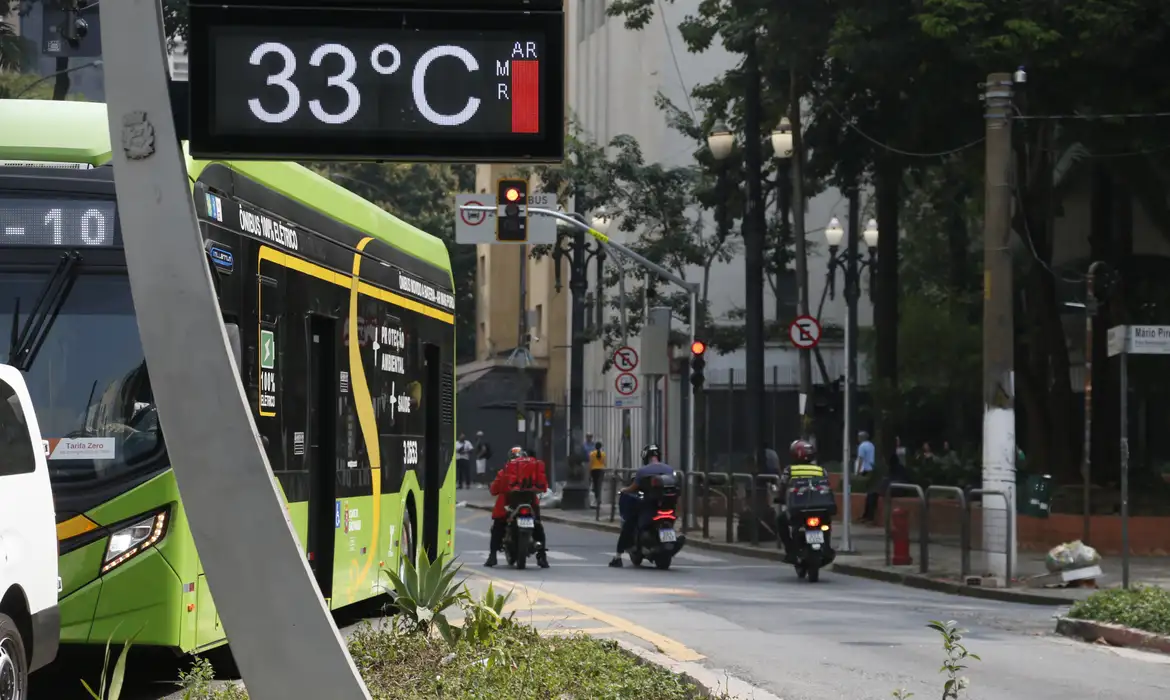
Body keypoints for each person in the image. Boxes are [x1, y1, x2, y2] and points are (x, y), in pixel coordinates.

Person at [609, 443, 675, 568]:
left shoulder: (642, 471)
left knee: (629, 523)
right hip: (667, 507)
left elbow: (633, 488)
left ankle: (618, 556)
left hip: (649, 507)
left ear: (645, 458)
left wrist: (624, 490)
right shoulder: (669, 469)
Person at [485, 446, 549, 568]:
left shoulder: (503, 472)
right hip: (531, 505)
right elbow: (543, 486)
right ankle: (542, 557)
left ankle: (492, 556)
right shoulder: (533, 470)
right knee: (538, 527)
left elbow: (494, 490)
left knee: (498, 527)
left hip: (508, 506)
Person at [776, 439, 829, 564]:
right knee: (826, 526)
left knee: (780, 521)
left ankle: (790, 551)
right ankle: (826, 547)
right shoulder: (821, 470)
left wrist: (779, 497)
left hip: (798, 509)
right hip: (820, 508)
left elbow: (782, 486)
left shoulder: (790, 470)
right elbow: (827, 486)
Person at [589, 440, 607, 506]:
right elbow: (605, 463)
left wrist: (589, 471)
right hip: (601, 470)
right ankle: (599, 499)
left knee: (595, 485)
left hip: (594, 470)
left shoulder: (592, 454)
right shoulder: (603, 454)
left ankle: (597, 499)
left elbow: (590, 463)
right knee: (599, 485)